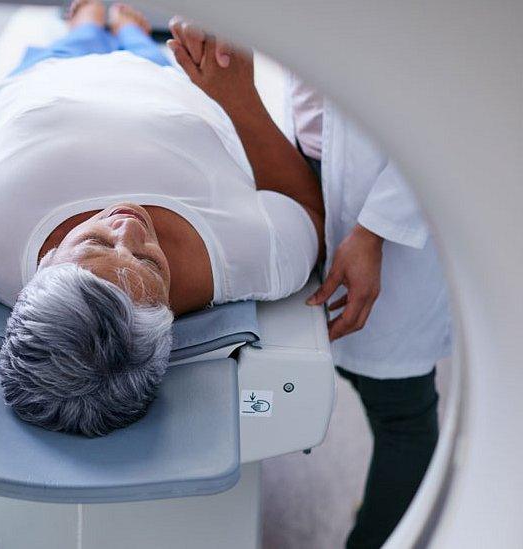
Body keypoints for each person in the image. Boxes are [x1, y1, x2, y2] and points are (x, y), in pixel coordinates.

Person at [0, 1, 324, 437]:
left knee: (77, 35)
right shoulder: (250, 260)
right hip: (169, 86)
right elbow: (307, 210)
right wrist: (238, 97)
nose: (131, 226)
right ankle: (126, 28)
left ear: (45, 264)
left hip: (46, 81)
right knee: (140, 41)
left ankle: (90, 18)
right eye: (152, 263)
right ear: (168, 317)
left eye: (96, 243)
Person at [170, 17, 451, 549]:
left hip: (386, 188)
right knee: (337, 354)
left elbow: (448, 104)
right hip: (314, 152)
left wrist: (372, 232)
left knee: (402, 410)